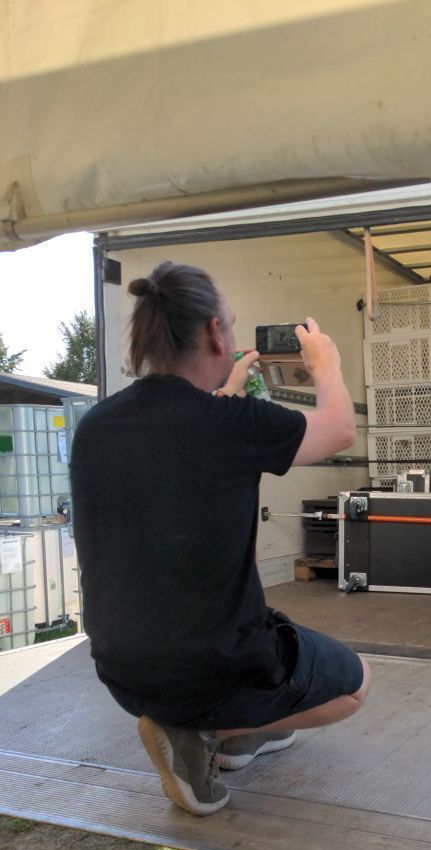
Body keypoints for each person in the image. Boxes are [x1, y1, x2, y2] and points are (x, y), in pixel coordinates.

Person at [70, 260, 371, 816]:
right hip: (209, 671)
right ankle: (202, 731)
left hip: (122, 669)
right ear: (215, 332)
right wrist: (324, 363)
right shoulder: (238, 426)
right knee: (355, 683)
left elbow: (180, 451)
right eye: (229, 324)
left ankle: (233, 732)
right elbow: (340, 428)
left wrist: (227, 394)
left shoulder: (95, 426)